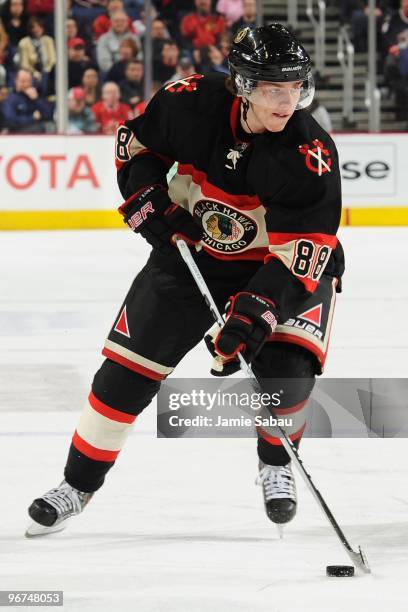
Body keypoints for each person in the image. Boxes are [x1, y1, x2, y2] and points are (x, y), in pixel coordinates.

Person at [26, 24, 344, 537]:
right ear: (242, 84)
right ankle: (77, 485)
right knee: (124, 376)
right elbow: (137, 145)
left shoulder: (310, 155)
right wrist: (147, 197)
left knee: (287, 372)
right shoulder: (189, 100)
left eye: (295, 88)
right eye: (272, 89)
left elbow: (302, 255)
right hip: (193, 248)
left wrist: (252, 316)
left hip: (277, 265)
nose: (287, 102)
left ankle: (276, 461)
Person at [3, 67, 53, 132]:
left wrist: (36, 99)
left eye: (28, 81)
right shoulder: (11, 99)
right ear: (16, 81)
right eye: (23, 81)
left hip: (38, 133)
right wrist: (32, 118)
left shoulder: (36, 95)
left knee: (50, 126)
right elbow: (10, 120)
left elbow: (49, 114)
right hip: (17, 133)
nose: (26, 84)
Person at [96, 9, 140, 73]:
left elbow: (139, 57)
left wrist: (131, 72)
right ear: (111, 22)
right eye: (116, 21)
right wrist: (119, 72)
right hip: (112, 75)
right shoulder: (103, 39)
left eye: (123, 21)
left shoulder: (134, 38)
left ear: (127, 22)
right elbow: (104, 63)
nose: (120, 23)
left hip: (133, 73)